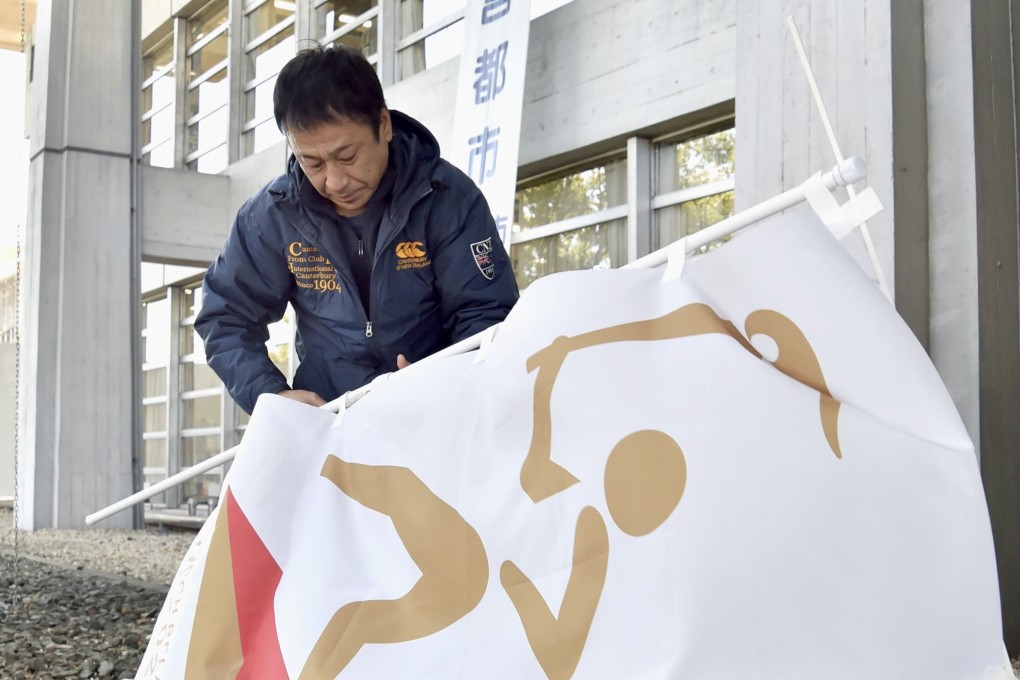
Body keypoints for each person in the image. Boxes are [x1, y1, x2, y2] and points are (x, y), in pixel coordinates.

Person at [195, 45, 519, 414]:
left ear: (383, 125)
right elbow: (225, 314)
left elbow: (487, 312)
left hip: (435, 410)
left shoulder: (447, 198)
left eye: (347, 157)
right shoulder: (271, 216)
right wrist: (269, 393)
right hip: (332, 420)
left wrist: (452, 379)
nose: (333, 181)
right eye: (311, 162)